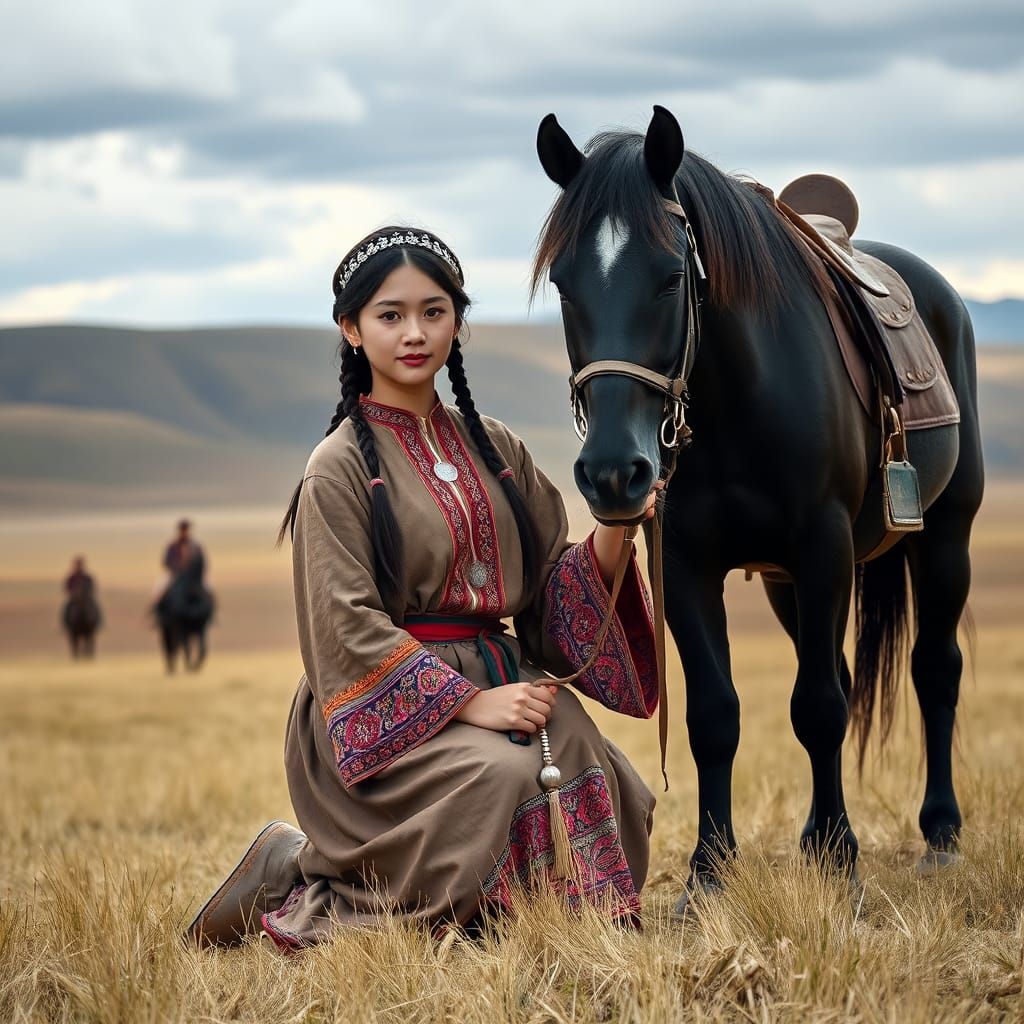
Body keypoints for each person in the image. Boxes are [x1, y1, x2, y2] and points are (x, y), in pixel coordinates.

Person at [186, 226, 661, 951]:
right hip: (386, 716)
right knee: (503, 779)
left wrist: (616, 530)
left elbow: (544, 589)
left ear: (458, 321)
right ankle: (306, 878)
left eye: (434, 312)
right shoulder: (335, 469)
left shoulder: (497, 446)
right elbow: (345, 631)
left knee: (588, 759)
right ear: (351, 329)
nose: (416, 333)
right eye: (390, 315)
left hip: (504, 677)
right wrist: (471, 703)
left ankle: (539, 929)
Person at [62, 555, 101, 658]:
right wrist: (74, 594)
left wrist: (85, 594)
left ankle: (98, 622)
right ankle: (65, 624)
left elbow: (92, 588)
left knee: (95, 607)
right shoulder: (71, 577)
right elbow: (67, 589)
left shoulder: (87, 577)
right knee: (67, 608)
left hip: (86, 598)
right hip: (74, 599)